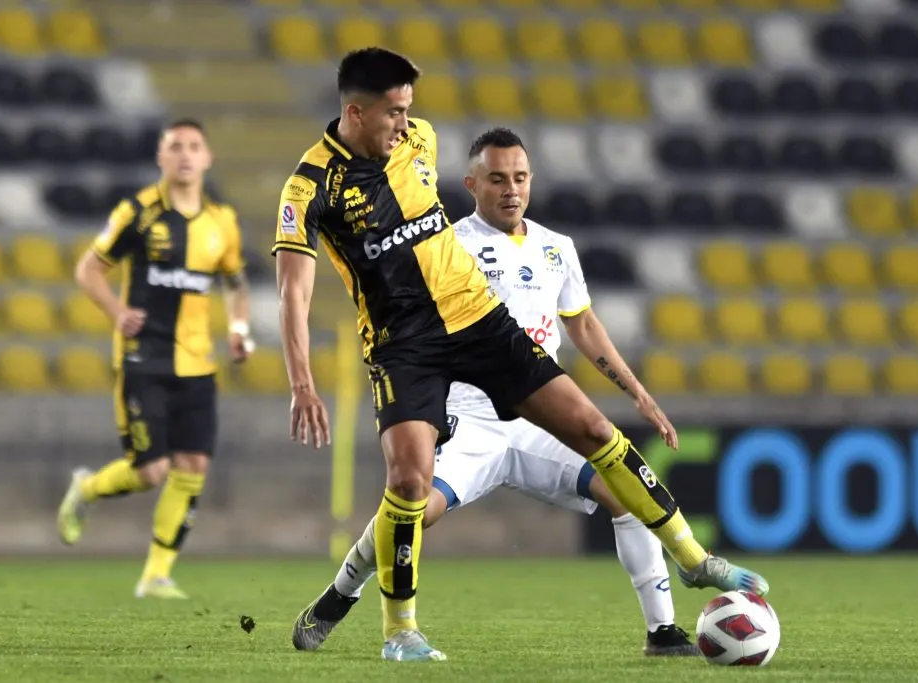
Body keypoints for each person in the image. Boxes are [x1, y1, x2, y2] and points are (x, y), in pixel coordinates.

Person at [273, 47, 768, 663]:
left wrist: (638, 392)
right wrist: (302, 383)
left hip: (480, 322)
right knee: (408, 484)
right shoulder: (310, 187)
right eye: (394, 112)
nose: (406, 123)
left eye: (408, 110)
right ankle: (398, 631)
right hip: (405, 346)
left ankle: (692, 561)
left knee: (595, 428)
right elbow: (294, 292)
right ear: (355, 112)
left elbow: (582, 323)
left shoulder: (421, 141)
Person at [56, 118, 254, 599]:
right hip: (144, 359)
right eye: (175, 147)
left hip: (198, 363)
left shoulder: (222, 221)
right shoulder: (138, 213)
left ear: (207, 158)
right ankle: (86, 489)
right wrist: (116, 311)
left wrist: (238, 329)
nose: (185, 155)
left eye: (193, 146)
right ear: (161, 157)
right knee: (151, 472)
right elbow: (88, 269)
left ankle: (156, 575)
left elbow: (235, 282)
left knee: (193, 466)